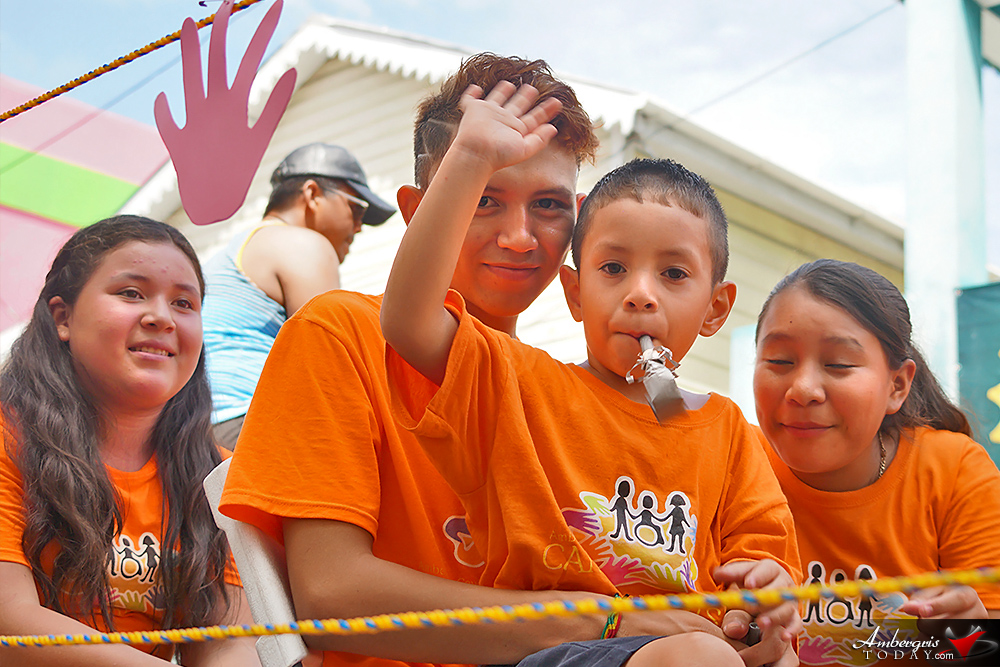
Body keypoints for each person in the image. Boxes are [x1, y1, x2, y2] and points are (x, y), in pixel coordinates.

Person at [220, 54, 778, 666]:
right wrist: (606, 618)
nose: (519, 236)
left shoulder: (567, 392)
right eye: (485, 198)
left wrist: (753, 618)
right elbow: (330, 595)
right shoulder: (339, 331)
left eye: (548, 205)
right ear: (416, 210)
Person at [380, 81, 801, 667]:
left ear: (716, 310)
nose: (641, 295)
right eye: (612, 268)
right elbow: (408, 320)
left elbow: (765, 563)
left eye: (674, 274)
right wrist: (471, 158)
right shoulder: (518, 382)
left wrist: (762, 600)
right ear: (575, 293)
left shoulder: (728, 431)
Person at [0, 216, 260, 666]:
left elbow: (230, 639)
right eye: (131, 293)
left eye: (184, 302)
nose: (160, 317)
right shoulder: (9, 437)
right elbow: (10, 622)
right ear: (62, 317)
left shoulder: (219, 473)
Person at [752, 258, 1000, 667]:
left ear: (897, 385)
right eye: (779, 361)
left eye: (838, 365)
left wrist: (967, 637)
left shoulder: (953, 471)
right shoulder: (732, 459)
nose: (803, 389)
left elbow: (981, 647)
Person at [202, 143, 395, 447]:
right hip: (250, 424)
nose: (359, 228)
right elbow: (335, 364)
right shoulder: (301, 243)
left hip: (201, 433)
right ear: (312, 194)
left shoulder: (237, 249)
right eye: (356, 209)